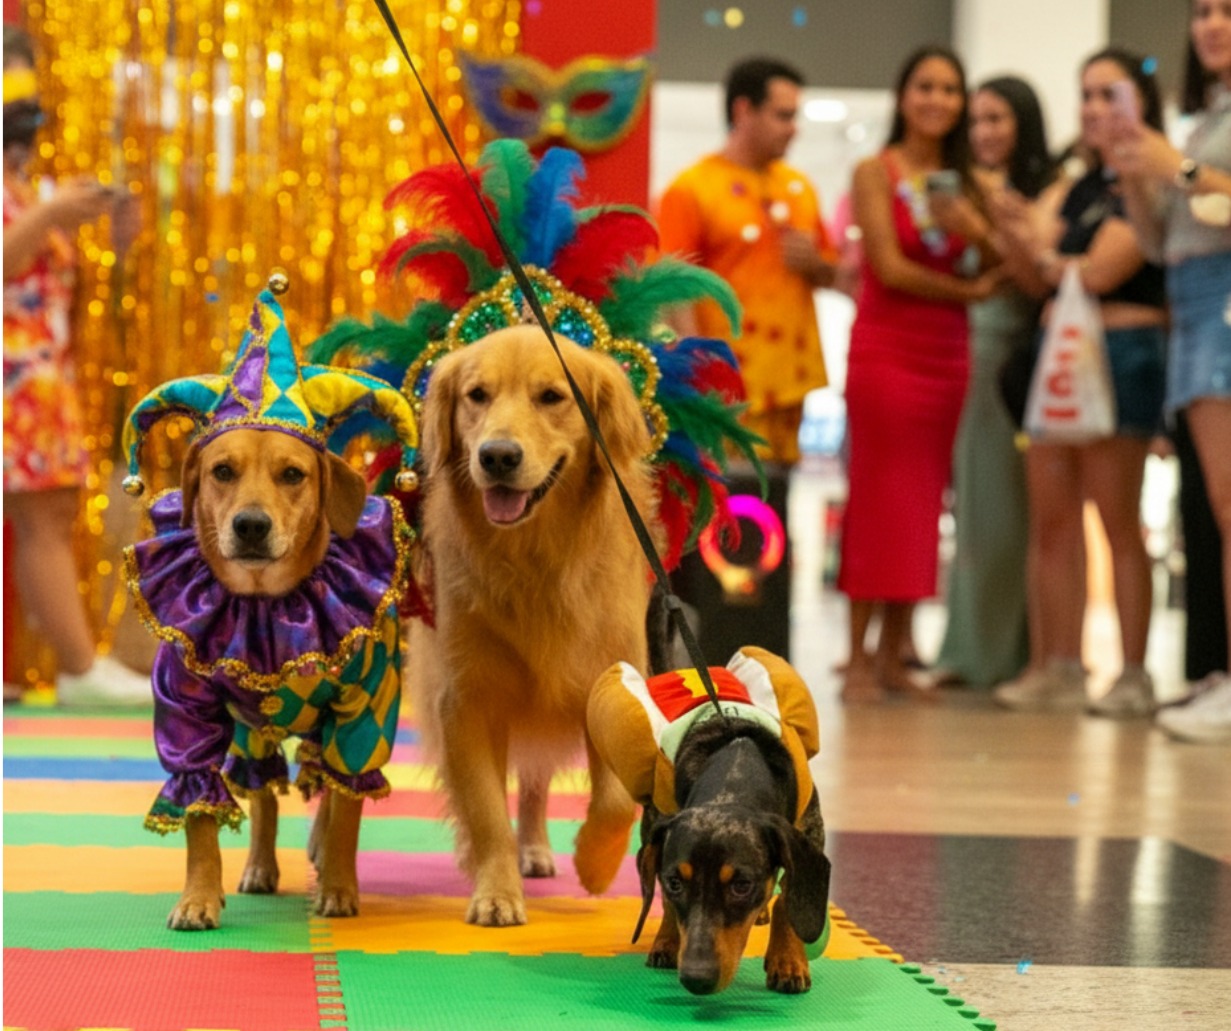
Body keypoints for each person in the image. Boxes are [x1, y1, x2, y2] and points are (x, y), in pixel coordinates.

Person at [992, 48, 1168, 717]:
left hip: (1121, 350)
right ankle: (1055, 663)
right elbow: (1041, 266)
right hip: (1057, 352)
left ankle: (1130, 671)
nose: (1093, 109)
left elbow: (1100, 269)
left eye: (1108, 95)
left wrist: (1043, 252)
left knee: (1116, 519)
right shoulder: (1079, 183)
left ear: (1140, 103)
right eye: (1085, 96)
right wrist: (1019, 235)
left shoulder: (1141, 175)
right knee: (1052, 516)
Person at [837, 45, 1001, 702]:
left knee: (921, 503)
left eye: (949, 89)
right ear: (903, 96)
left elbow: (1004, 260)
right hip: (886, 349)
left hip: (946, 355)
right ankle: (853, 658)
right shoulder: (873, 171)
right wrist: (970, 294)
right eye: (924, 86)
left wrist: (972, 227)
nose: (936, 99)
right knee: (876, 497)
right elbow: (889, 264)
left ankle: (893, 654)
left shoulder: (970, 183)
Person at [3, 25, 147, 706]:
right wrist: (52, 214)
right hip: (13, 370)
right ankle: (78, 667)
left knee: (51, 513)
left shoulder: (25, 184)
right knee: (40, 516)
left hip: (37, 368)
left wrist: (107, 231)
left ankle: (76, 665)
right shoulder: (31, 197)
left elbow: (61, 288)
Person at [1111, 0, 1231, 743]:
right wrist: (1137, 178)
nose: (1211, 25)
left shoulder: (1195, 140)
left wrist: (1179, 168)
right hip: (1191, 301)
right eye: (1200, 13)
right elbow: (1158, 245)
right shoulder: (1204, 117)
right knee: (1216, 509)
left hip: (1220, 300)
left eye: (1225, 11)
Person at [932, 76, 1054, 690]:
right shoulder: (961, 191)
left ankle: (997, 654)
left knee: (1008, 510)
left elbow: (1032, 275)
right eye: (976, 120)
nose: (983, 132)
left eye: (997, 118)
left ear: (1023, 123)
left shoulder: (1041, 194)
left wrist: (981, 226)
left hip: (1012, 356)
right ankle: (971, 646)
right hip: (961, 352)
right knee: (974, 509)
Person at [657, 56, 837, 467]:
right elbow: (673, 288)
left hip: (791, 385)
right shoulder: (692, 189)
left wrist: (816, 265)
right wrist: (698, 374)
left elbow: (836, 273)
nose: (794, 127)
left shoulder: (799, 187)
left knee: (778, 508)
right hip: (726, 389)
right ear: (743, 110)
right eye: (783, 115)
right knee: (730, 508)